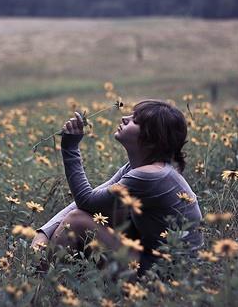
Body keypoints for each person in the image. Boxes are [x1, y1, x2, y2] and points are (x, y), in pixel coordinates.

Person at [31, 99, 204, 276]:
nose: (124, 118)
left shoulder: (149, 175)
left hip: (168, 274)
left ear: (152, 140)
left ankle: (43, 279)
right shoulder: (136, 168)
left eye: (135, 121)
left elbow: (85, 201)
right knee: (110, 212)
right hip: (153, 258)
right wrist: (44, 232)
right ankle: (50, 272)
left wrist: (70, 147)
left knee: (77, 221)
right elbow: (91, 200)